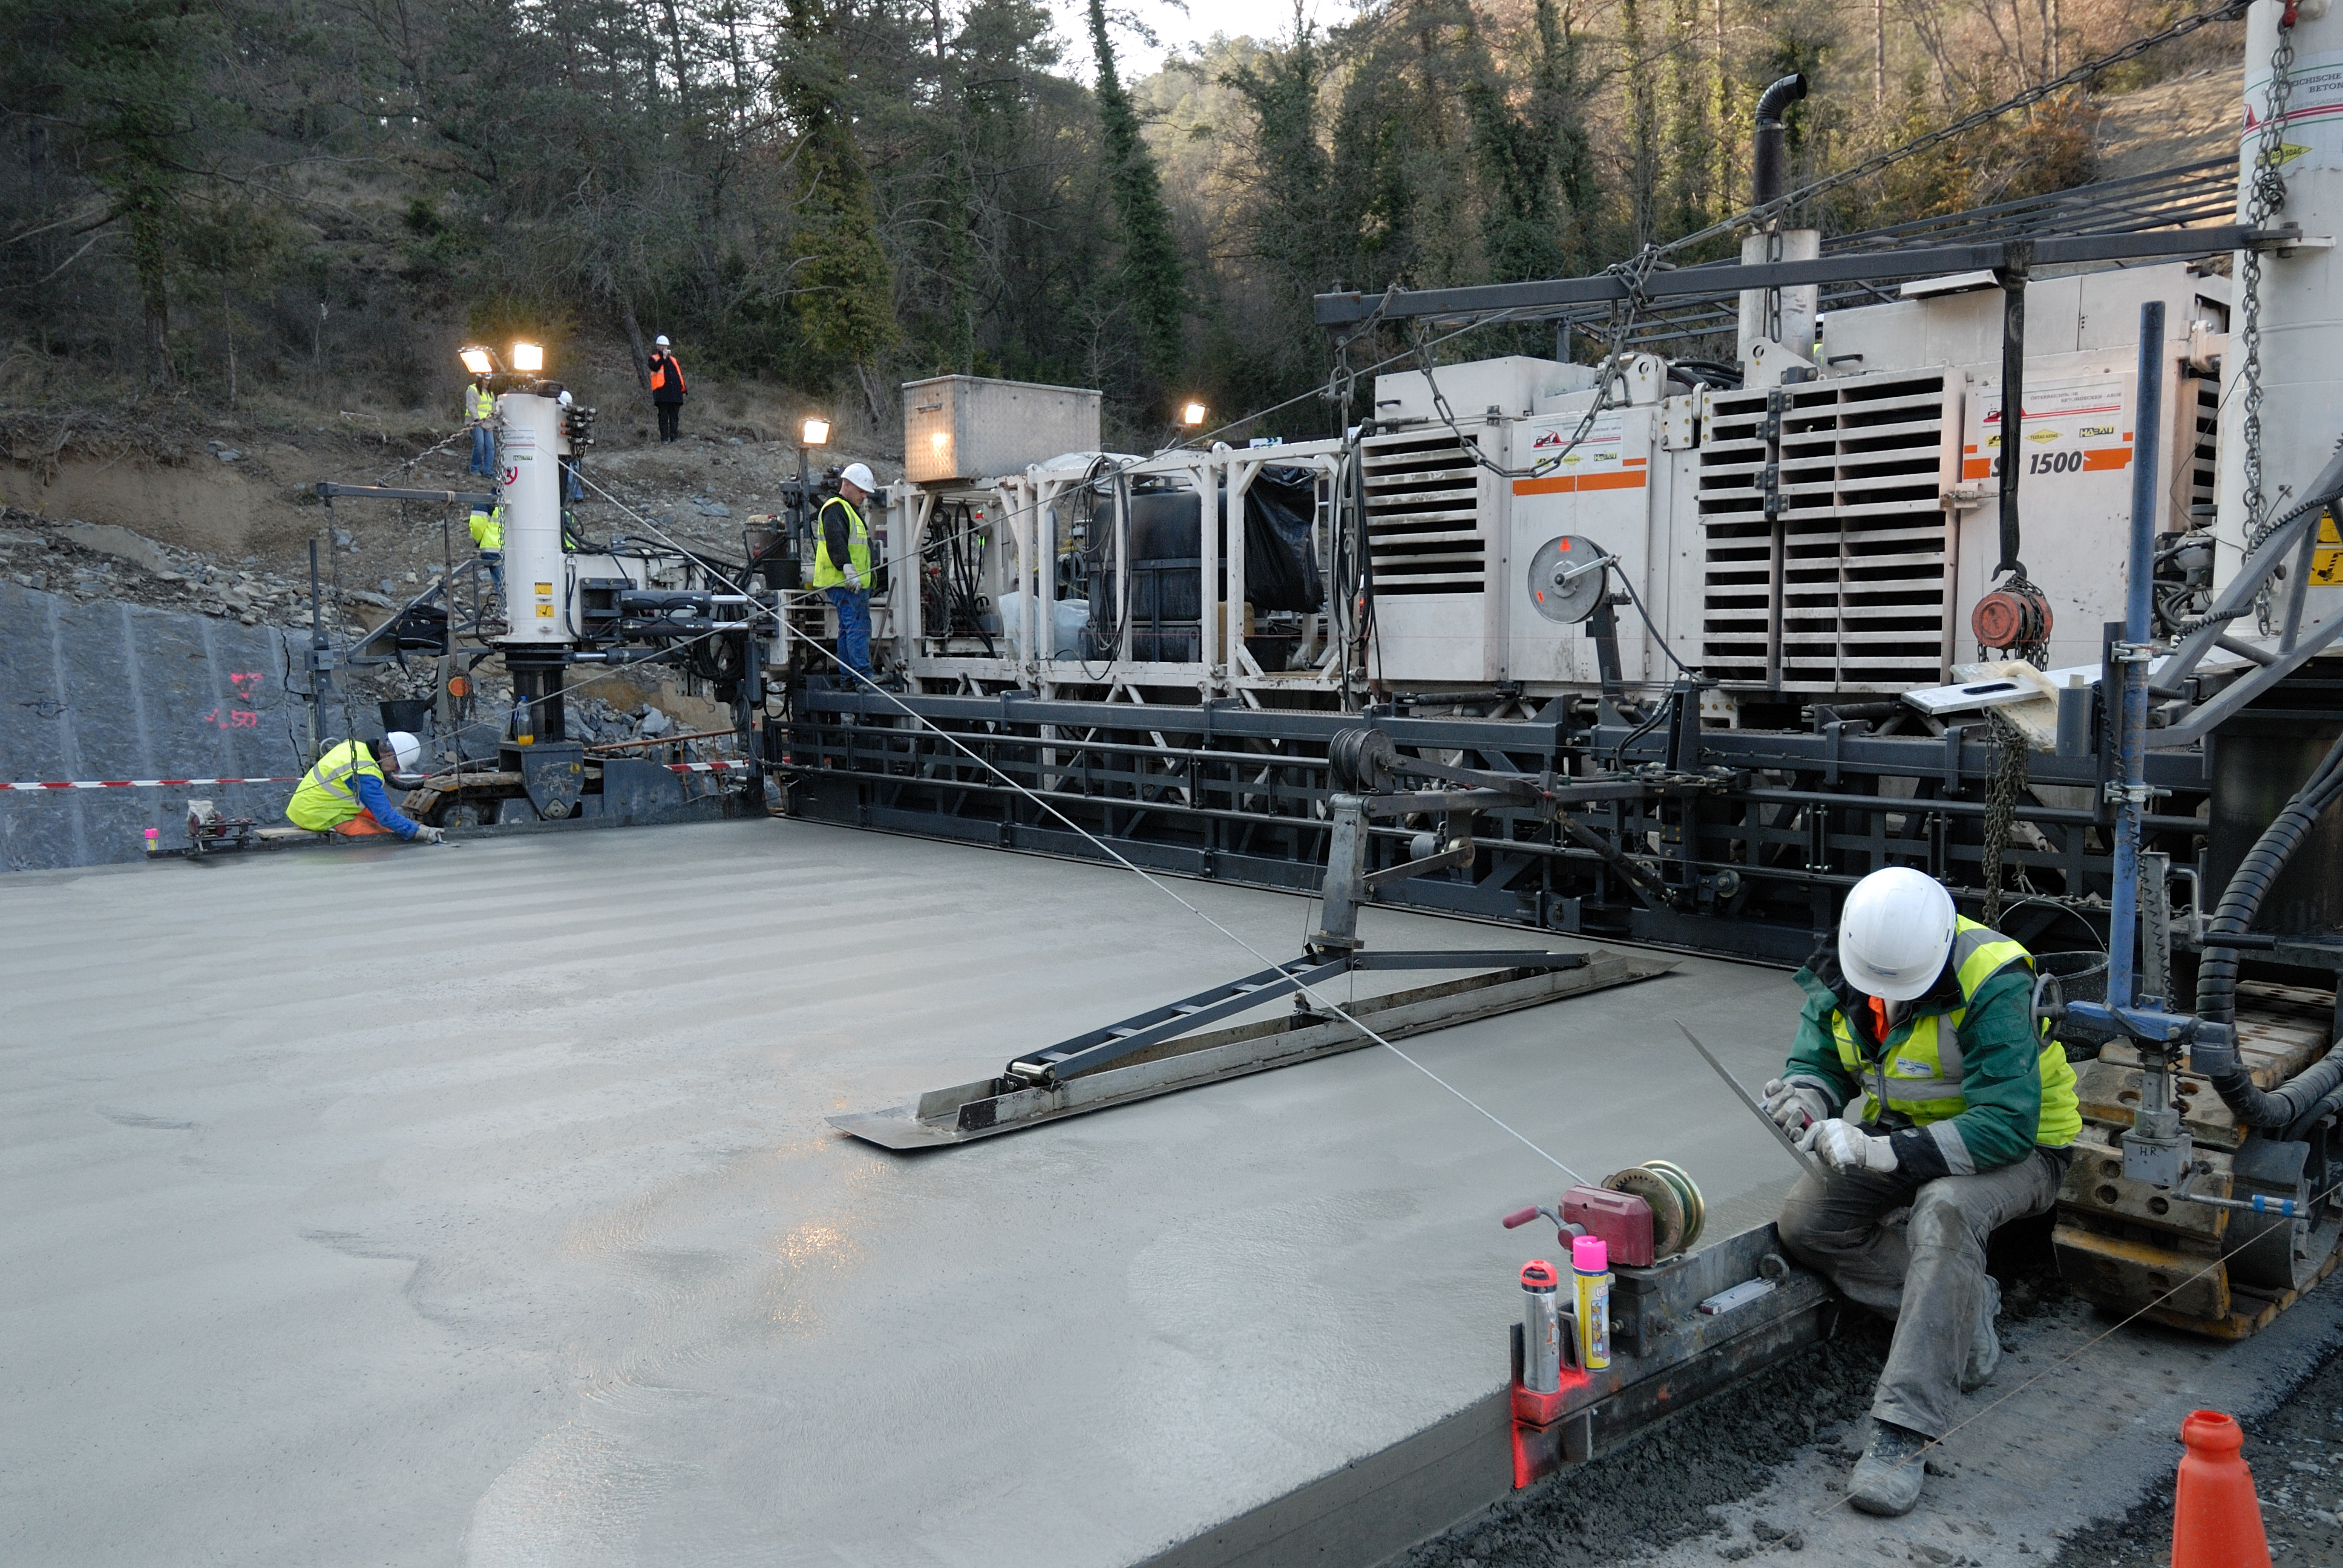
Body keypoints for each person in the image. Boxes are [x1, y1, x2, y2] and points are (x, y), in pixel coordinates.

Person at [1762, 865, 2079, 1517]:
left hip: (2021, 1150)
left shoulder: (1991, 979)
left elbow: (2006, 1125)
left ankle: (1901, 1436)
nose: (1885, 996)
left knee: (1945, 1211)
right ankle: (1967, 1306)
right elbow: (1819, 1059)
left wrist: (1879, 1150)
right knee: (1805, 1223)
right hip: (1905, 1135)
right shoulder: (1844, 965)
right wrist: (1805, 1100)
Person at [284, 733, 445, 842]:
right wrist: (419, 831)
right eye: (397, 766)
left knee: (384, 817)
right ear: (389, 755)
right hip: (316, 813)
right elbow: (385, 817)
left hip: (313, 803)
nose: (396, 771)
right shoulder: (364, 772)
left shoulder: (356, 748)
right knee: (382, 835)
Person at [811, 462, 878, 680]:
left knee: (848, 628)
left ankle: (849, 677)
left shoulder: (846, 509)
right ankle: (862, 675)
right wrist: (848, 570)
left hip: (849, 582)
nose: (864, 497)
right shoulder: (836, 508)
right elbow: (836, 542)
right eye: (861, 491)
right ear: (846, 485)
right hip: (845, 582)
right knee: (857, 627)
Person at [647, 335, 687, 443]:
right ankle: (664, 439)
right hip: (662, 393)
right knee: (663, 417)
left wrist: (683, 390)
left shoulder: (674, 360)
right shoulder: (654, 359)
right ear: (657, 346)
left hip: (675, 393)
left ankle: (674, 438)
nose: (664, 347)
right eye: (662, 345)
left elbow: (679, 375)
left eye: (666, 345)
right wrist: (663, 359)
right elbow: (655, 367)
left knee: (674, 417)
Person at [469, 501, 505, 596]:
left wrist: (478, 540)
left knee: (505, 591)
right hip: (515, 551)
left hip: (494, 551)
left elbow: (477, 525)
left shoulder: (485, 499)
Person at [465, 373, 497, 477]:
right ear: (480, 379)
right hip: (476, 422)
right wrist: (476, 418)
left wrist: (495, 420)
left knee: (491, 446)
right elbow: (471, 405)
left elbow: (492, 410)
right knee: (480, 443)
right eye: (485, 380)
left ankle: (488, 470)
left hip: (488, 424)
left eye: (488, 380)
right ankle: (475, 469)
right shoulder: (472, 390)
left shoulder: (490, 394)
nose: (487, 382)